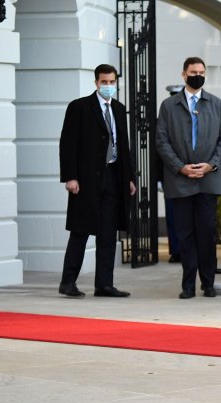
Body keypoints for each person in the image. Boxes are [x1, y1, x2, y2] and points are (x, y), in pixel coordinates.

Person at [58, 63, 137, 298]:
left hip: (113, 177)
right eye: (105, 82)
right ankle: (68, 282)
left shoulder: (119, 109)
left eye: (112, 82)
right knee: (80, 231)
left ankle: (104, 285)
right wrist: (70, 176)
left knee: (108, 233)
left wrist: (129, 177)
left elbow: (124, 146)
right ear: (96, 83)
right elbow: (68, 144)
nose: (109, 86)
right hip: (86, 181)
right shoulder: (80, 107)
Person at [156, 57, 221, 299]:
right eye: (193, 72)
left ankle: (208, 283)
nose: (197, 75)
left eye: (201, 72)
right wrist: (181, 167)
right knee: (185, 234)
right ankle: (187, 284)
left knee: (207, 232)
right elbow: (162, 141)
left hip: (208, 180)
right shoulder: (169, 106)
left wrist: (211, 165)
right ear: (183, 74)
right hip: (180, 181)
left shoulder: (216, 104)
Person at [163, 84, 184, 264]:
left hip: (191, 174)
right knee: (172, 216)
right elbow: (157, 150)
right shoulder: (163, 118)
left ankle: (186, 250)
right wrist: (157, 179)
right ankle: (176, 250)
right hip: (170, 175)